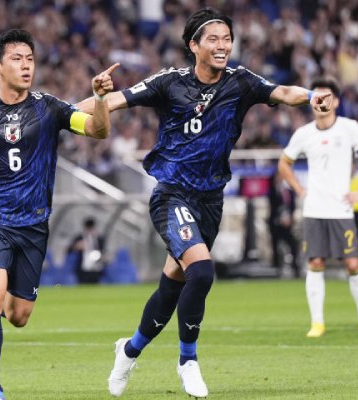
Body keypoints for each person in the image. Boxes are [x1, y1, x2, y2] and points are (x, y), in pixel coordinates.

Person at [76, 9, 334, 398]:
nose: (222, 45)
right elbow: (108, 102)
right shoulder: (169, 82)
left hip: (211, 200)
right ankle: (188, 361)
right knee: (202, 271)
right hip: (172, 195)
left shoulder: (240, 81)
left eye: (227, 38)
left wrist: (312, 96)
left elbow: (283, 93)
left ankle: (128, 351)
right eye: (213, 39)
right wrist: (77, 105)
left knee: (171, 289)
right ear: (193, 45)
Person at [0, 29, 116, 400]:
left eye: (30, 59)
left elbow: (97, 130)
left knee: (18, 316)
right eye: (17, 59)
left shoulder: (50, 108)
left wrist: (99, 99)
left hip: (33, 224)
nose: (26, 65)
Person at [277, 76, 358, 338]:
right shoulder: (304, 134)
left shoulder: (349, 128)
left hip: (341, 209)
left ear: (336, 102)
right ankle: (317, 323)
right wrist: (300, 190)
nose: (321, 101)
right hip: (314, 209)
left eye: (326, 97)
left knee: (352, 263)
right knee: (315, 262)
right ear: (311, 101)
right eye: (316, 96)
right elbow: (283, 163)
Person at [267, 171, 300, 277]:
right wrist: (279, 219)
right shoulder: (273, 191)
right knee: (276, 246)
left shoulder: (289, 192)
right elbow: (273, 206)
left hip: (288, 224)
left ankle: (295, 267)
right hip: (276, 224)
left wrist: (290, 218)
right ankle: (277, 268)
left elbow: (292, 206)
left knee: (292, 245)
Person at [68, 218, 107, 284]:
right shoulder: (79, 238)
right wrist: (76, 247)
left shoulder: (99, 239)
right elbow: (69, 251)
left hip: (96, 269)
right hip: (83, 269)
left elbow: (104, 252)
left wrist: (102, 256)